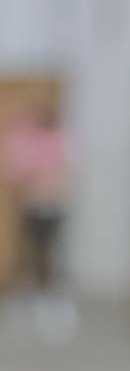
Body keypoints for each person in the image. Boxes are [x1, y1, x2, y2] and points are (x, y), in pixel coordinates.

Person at [3, 89, 72, 333]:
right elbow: (16, 172)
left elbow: (60, 172)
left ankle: (49, 295)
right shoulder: (24, 138)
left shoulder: (56, 138)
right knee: (30, 249)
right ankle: (30, 290)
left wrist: (46, 180)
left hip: (52, 205)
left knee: (48, 250)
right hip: (30, 205)